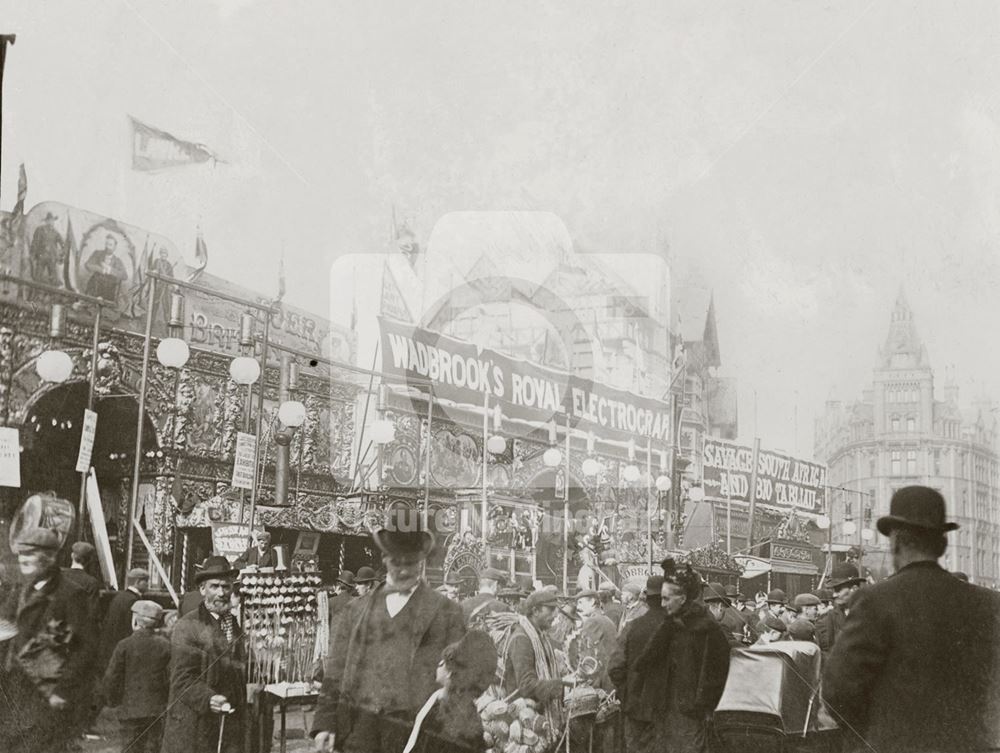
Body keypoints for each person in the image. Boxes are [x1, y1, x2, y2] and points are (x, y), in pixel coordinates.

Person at [824, 486, 1000, 753]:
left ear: (896, 542)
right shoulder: (988, 603)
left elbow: (837, 691)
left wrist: (879, 731)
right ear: (942, 543)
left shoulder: (874, 601)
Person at [312, 518, 466, 753]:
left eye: (410, 561)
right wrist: (325, 723)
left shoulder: (447, 612)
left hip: (417, 733)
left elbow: (460, 677)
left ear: (421, 562)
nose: (403, 568)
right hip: (359, 730)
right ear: (384, 559)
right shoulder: (355, 611)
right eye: (396, 560)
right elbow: (335, 670)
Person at [0, 527, 97, 753]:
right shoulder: (20, 591)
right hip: (11, 690)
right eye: (21, 554)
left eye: (30, 554)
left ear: (50, 557)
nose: (23, 559)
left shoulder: (70, 594)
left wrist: (61, 691)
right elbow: (5, 630)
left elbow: (85, 649)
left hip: (44, 695)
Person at [638, 559, 731, 753]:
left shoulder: (707, 628)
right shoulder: (670, 625)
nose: (662, 604)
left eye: (666, 598)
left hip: (690, 716)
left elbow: (717, 674)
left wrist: (702, 706)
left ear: (683, 598)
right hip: (664, 713)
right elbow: (645, 662)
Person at [162, 556, 245, 753]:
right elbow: (182, 679)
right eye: (214, 586)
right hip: (194, 724)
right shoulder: (188, 626)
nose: (221, 593)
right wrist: (208, 698)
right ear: (202, 589)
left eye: (226, 587)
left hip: (225, 724)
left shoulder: (233, 623)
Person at [403, 631, 497, 753]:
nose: (439, 663)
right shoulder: (473, 718)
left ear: (451, 672)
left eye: (444, 662)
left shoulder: (439, 708)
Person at [102, 600, 171, 753]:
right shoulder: (166, 645)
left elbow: (112, 677)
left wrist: (112, 701)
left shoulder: (124, 645)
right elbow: (170, 677)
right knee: (154, 748)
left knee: (130, 748)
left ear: (136, 620)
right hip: (157, 709)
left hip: (129, 709)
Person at [501, 589, 568, 743]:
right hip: (524, 723)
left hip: (537, 718)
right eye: (551, 610)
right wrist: (563, 684)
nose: (555, 615)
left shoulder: (539, 635)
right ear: (535, 611)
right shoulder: (522, 639)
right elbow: (526, 686)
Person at [608, 576, 664, 753]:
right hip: (665, 712)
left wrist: (626, 693)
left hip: (635, 709)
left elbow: (615, 667)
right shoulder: (678, 628)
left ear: (645, 598)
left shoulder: (632, 627)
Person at [99, 567, 149, 670]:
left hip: (110, 648)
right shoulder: (134, 601)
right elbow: (132, 628)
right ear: (138, 582)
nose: (147, 585)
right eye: (146, 581)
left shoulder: (119, 597)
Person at [815, 562, 864, 657]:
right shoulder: (830, 617)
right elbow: (828, 652)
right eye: (833, 591)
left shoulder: (872, 615)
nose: (834, 595)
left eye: (838, 590)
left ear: (854, 589)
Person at [571, 589, 617, 688]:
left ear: (592, 602)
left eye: (580, 602)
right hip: (610, 677)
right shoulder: (606, 619)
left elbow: (587, 657)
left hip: (599, 681)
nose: (578, 607)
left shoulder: (592, 621)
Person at [703, 581, 743, 647]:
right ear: (720, 606)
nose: (725, 611)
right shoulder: (719, 628)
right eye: (725, 607)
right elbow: (739, 651)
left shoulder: (692, 624)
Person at [29, 211, 63, 286]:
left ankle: (52, 293)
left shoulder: (56, 232)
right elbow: (35, 242)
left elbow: (62, 244)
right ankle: (36, 292)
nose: (51, 222)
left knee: (53, 277)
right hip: (41, 256)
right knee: (38, 276)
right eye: (50, 220)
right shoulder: (40, 230)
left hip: (52, 257)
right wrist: (32, 254)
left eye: (53, 220)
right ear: (46, 221)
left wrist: (61, 255)